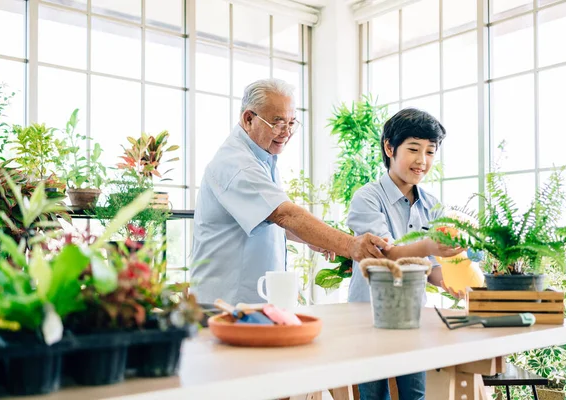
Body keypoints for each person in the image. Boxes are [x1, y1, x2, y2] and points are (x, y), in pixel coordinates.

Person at [190, 78, 391, 305]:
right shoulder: (237, 164)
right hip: (226, 302)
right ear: (248, 119)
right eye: (277, 123)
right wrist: (350, 245)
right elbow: (285, 215)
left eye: (291, 123)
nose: (286, 132)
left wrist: (311, 239)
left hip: (251, 302)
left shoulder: (263, 158)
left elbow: (266, 220)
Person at [347, 108, 463, 400]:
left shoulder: (432, 205)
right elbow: (385, 255)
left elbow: (432, 269)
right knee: (373, 397)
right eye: (413, 149)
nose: (422, 161)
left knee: (415, 396)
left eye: (430, 152)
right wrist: (429, 246)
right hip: (368, 316)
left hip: (413, 319)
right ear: (389, 147)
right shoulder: (367, 197)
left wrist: (458, 281)